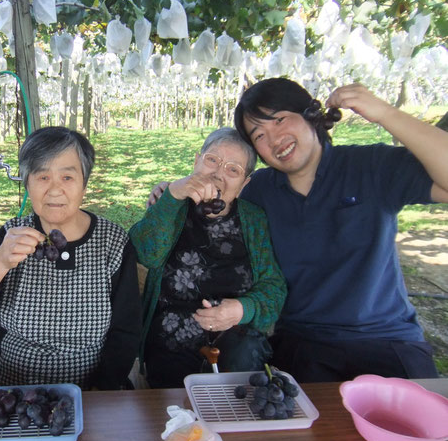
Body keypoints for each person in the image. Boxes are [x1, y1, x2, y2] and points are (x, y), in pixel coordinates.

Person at [228, 78, 447, 382]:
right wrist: (171, 194)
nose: (275, 139)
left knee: (420, 427)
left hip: (386, 339)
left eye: (280, 120)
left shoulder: (369, 167)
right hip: (304, 344)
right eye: (259, 135)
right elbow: (213, 209)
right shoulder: (260, 192)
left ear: (310, 114)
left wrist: (385, 113)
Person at [0, 127, 141, 390]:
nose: (54, 190)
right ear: (27, 182)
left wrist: (98, 393)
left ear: (84, 183)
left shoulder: (113, 243)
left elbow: (125, 333)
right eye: (42, 177)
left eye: (67, 177)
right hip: (13, 393)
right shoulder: (11, 235)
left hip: (91, 394)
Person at [130, 128, 287, 388]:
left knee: (241, 380)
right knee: (176, 411)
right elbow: (144, 254)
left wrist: (242, 309)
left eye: (233, 170)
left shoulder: (254, 219)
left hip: (237, 339)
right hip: (171, 338)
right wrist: (171, 198)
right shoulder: (172, 205)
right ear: (196, 161)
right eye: (212, 160)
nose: (218, 174)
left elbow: (274, 290)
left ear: (244, 184)